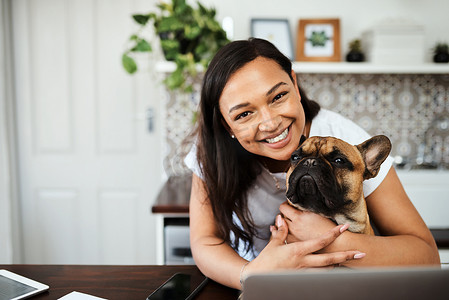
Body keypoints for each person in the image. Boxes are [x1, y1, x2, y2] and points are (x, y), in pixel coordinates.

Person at [185, 38, 440, 290]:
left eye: (278, 96)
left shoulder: (347, 143)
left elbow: (427, 257)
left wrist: (330, 241)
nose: (270, 122)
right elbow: (204, 240)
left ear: (295, 85)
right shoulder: (212, 151)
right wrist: (251, 275)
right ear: (224, 123)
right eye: (243, 114)